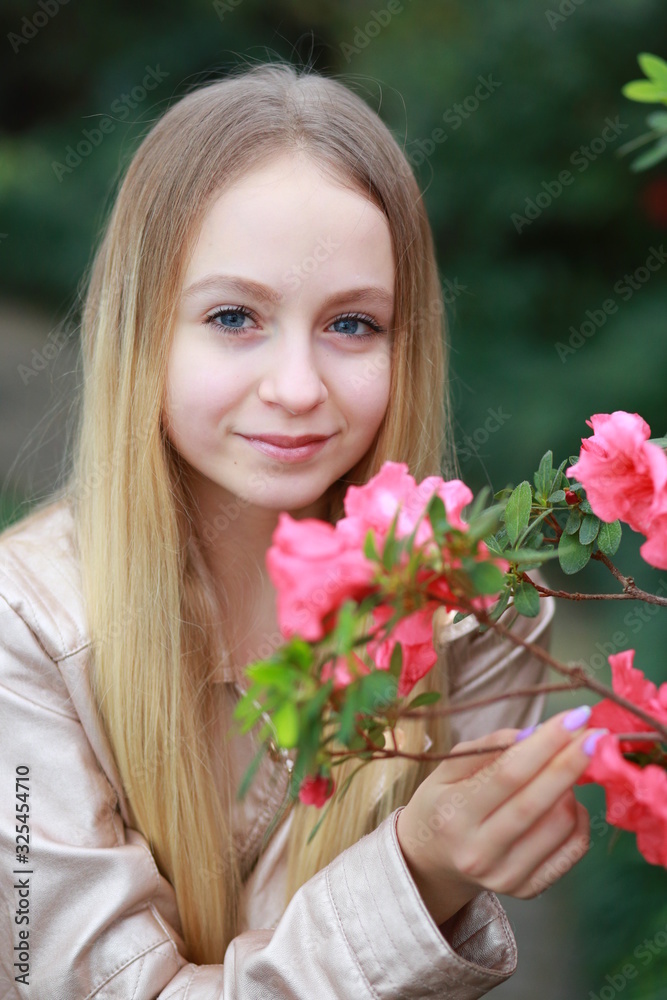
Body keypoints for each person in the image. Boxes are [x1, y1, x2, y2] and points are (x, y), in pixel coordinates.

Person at [0, 60, 601, 998]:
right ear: (141, 326)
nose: (295, 387)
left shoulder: (473, 610)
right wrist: (417, 870)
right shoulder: (25, 628)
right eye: (234, 316)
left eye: (352, 325)